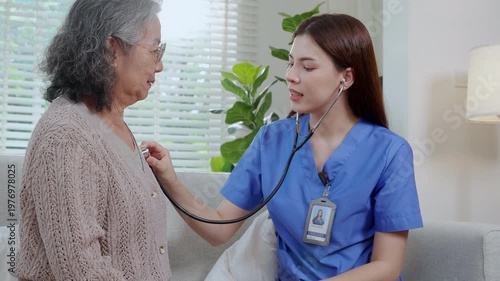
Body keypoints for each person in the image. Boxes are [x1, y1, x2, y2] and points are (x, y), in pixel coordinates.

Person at [143, 13, 422, 281]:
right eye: (290, 63)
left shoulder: (389, 153)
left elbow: (387, 266)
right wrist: (169, 178)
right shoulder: (271, 141)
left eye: (307, 67)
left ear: (346, 78)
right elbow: (218, 228)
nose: (291, 75)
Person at [13, 0, 171, 280]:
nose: (159, 66)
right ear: (112, 50)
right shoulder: (66, 136)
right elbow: (80, 268)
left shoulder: (113, 126)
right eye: (154, 49)